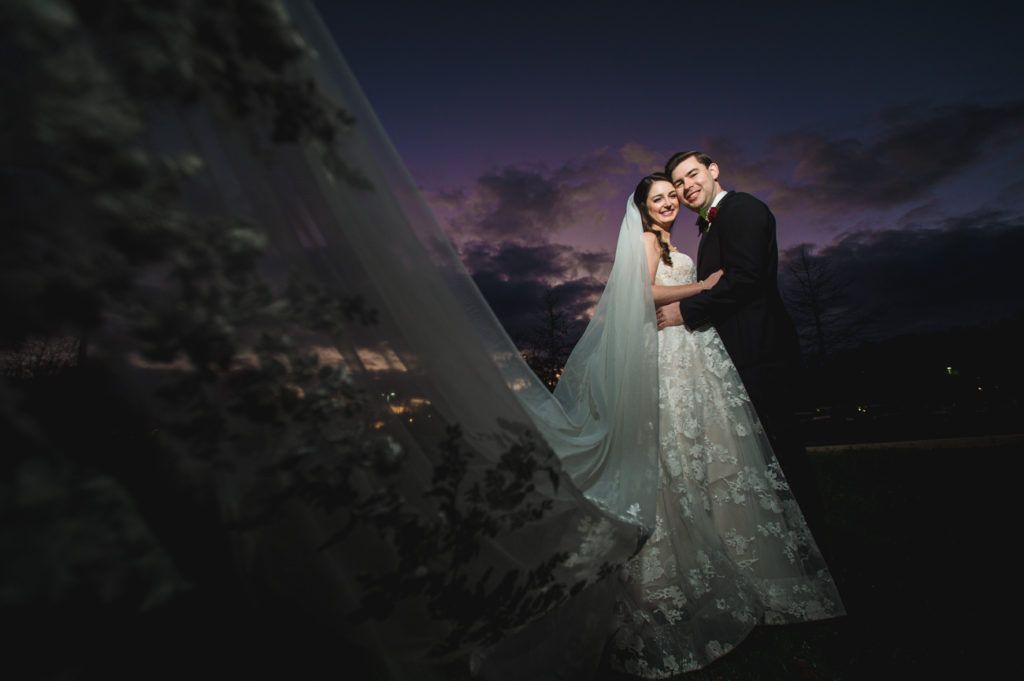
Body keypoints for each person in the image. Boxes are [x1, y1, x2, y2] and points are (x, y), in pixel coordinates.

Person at [602, 174, 844, 678]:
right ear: (643, 208)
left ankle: (734, 553)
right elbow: (643, 292)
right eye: (658, 198)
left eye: (672, 195)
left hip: (697, 350)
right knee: (679, 448)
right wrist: (701, 286)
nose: (669, 202)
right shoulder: (647, 240)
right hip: (671, 351)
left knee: (715, 445)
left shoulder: (674, 241)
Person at [657, 151, 828, 542]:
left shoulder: (742, 208)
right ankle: (788, 542)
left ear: (713, 170)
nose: (686, 187)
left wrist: (686, 311)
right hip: (742, 356)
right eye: (679, 183)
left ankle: (816, 550)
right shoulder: (712, 225)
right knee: (764, 463)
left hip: (761, 353)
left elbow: (747, 278)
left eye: (693, 174)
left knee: (783, 461)